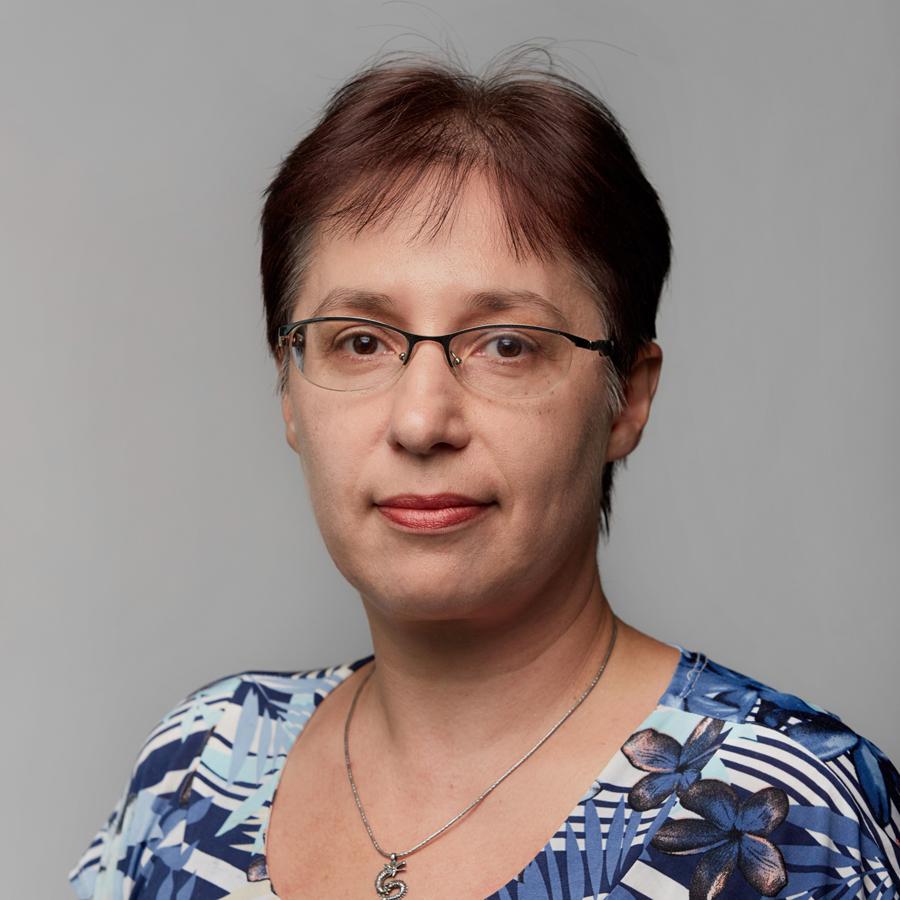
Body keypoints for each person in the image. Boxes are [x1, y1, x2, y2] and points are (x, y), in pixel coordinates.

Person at [69, 47, 899, 900]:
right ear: (288, 389)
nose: (422, 421)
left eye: (507, 345)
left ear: (628, 398)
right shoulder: (199, 765)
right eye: (361, 341)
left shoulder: (794, 820)